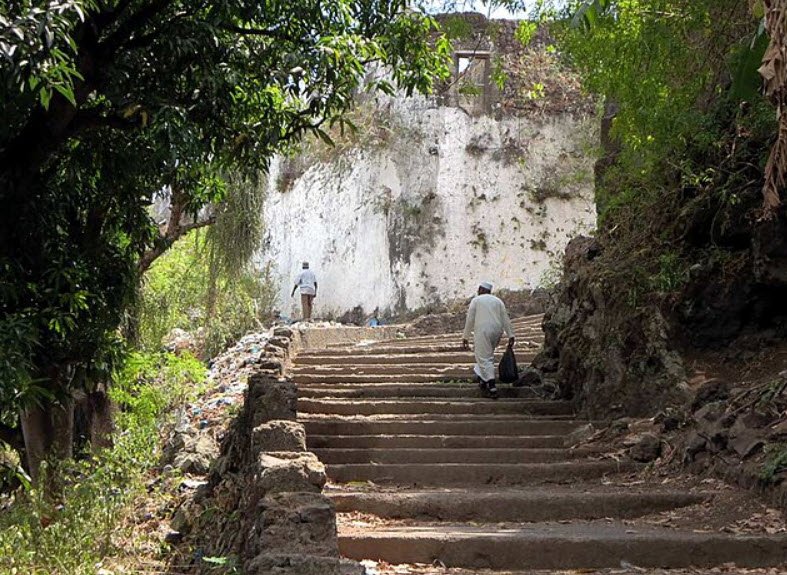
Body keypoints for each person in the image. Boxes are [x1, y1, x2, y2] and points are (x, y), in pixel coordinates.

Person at [462, 282, 515, 399]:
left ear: (481, 289)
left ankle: (492, 385)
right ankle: (482, 379)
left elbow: (470, 319)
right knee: (485, 354)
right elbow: (505, 318)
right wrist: (511, 335)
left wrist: (465, 337)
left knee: (484, 357)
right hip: (497, 331)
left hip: (483, 330)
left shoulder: (476, 300)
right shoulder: (498, 301)